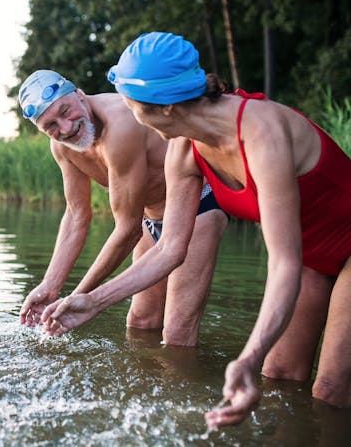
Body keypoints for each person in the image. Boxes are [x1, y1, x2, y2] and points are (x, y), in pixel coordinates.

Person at [40, 32, 351, 428]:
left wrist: (246, 358)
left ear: (163, 108)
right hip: (313, 255)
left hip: (336, 248)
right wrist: (94, 300)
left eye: (131, 105)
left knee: (329, 390)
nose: (126, 113)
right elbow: (170, 248)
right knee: (280, 378)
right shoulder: (184, 149)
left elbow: (283, 263)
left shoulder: (261, 132)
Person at [17, 69, 228, 347]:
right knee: (140, 323)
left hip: (196, 207)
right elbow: (76, 215)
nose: (65, 128)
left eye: (65, 111)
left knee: (177, 334)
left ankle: (184, 386)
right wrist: (50, 286)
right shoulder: (63, 147)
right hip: (150, 219)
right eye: (51, 127)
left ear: (79, 94)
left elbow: (127, 231)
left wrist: (78, 297)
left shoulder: (120, 122)